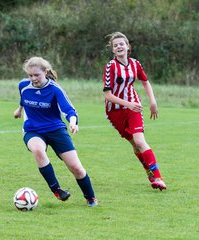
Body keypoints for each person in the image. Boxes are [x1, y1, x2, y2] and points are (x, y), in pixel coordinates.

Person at [13, 56, 98, 206]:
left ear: (45, 72)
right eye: (30, 75)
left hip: (56, 129)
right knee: (38, 151)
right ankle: (57, 190)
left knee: (76, 168)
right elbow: (23, 98)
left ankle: (90, 197)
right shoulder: (23, 85)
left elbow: (69, 110)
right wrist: (19, 110)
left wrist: (73, 123)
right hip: (33, 129)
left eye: (36, 75)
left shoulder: (55, 89)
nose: (33, 79)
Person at [102, 32, 167, 191]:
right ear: (113, 50)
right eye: (115, 45)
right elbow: (108, 95)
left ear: (128, 46)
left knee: (139, 140)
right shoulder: (111, 66)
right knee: (135, 145)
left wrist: (152, 101)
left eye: (121, 44)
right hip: (115, 110)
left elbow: (145, 82)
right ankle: (149, 172)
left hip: (134, 107)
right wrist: (126, 104)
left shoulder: (135, 64)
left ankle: (157, 177)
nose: (119, 47)